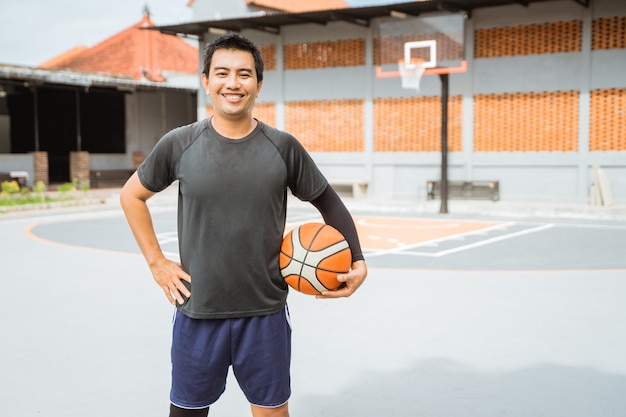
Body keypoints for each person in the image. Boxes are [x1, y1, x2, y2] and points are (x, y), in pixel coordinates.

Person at [120, 33, 367, 417]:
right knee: (186, 412)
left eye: (244, 74)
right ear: (206, 81)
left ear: (258, 84)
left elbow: (328, 202)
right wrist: (157, 263)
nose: (232, 83)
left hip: (264, 313)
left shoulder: (282, 147)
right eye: (222, 73)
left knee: (270, 412)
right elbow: (131, 195)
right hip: (198, 309)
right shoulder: (179, 143)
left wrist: (358, 259)